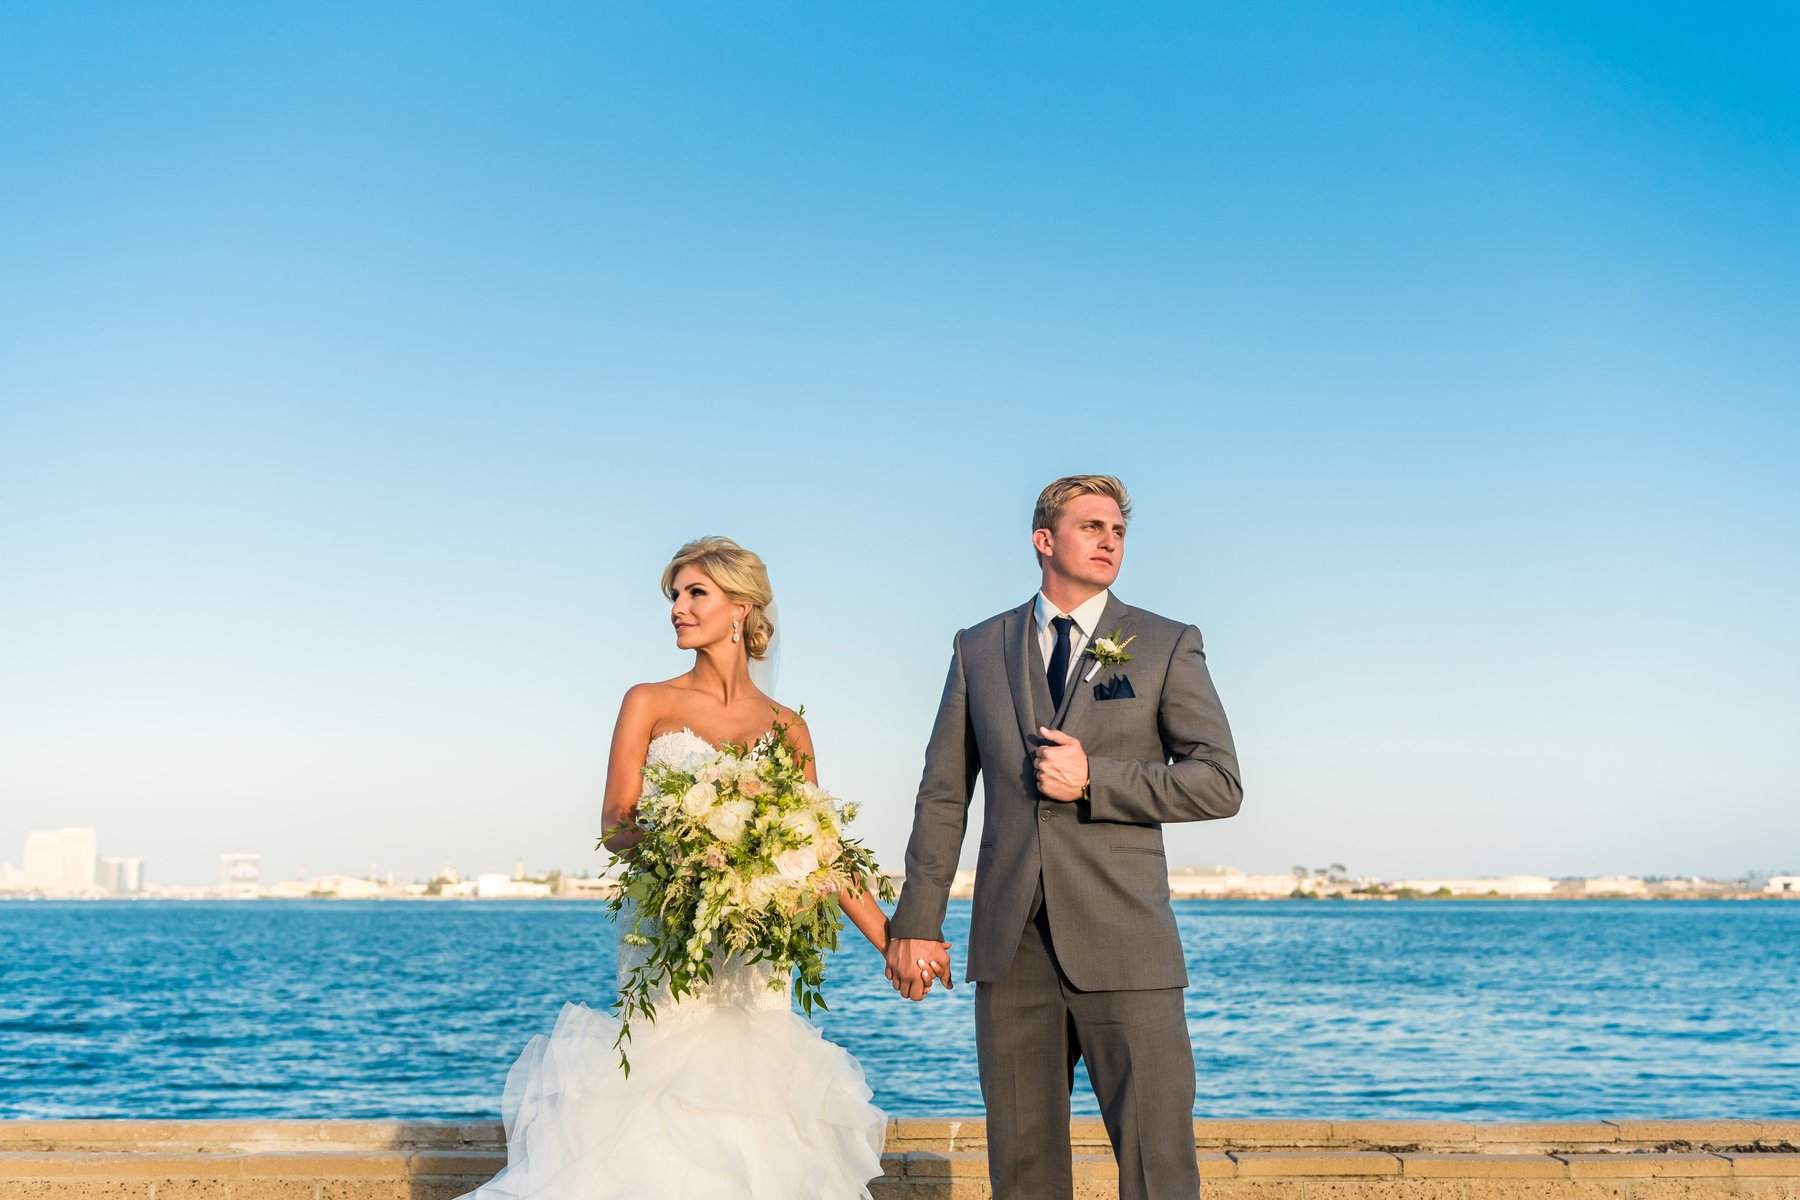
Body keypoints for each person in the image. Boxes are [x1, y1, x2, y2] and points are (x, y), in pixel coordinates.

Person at [464, 536, 902, 1200]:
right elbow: (616, 825)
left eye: (696, 592)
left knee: (759, 1119)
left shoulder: (788, 727)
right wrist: (688, 853)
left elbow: (823, 849)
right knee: (655, 1111)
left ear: (741, 607)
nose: (678, 607)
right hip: (669, 941)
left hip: (755, 954)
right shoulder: (648, 701)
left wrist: (892, 942)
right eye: (675, 594)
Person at [885, 474, 1243, 1200]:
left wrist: (1094, 780)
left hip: (1127, 943)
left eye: (1118, 531)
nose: (1110, 541)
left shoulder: (1166, 643)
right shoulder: (978, 647)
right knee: (1022, 1176)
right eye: (1092, 527)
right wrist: (918, 921)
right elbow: (944, 793)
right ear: (1044, 540)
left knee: (1159, 1169)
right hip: (1010, 946)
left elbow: (1219, 782)